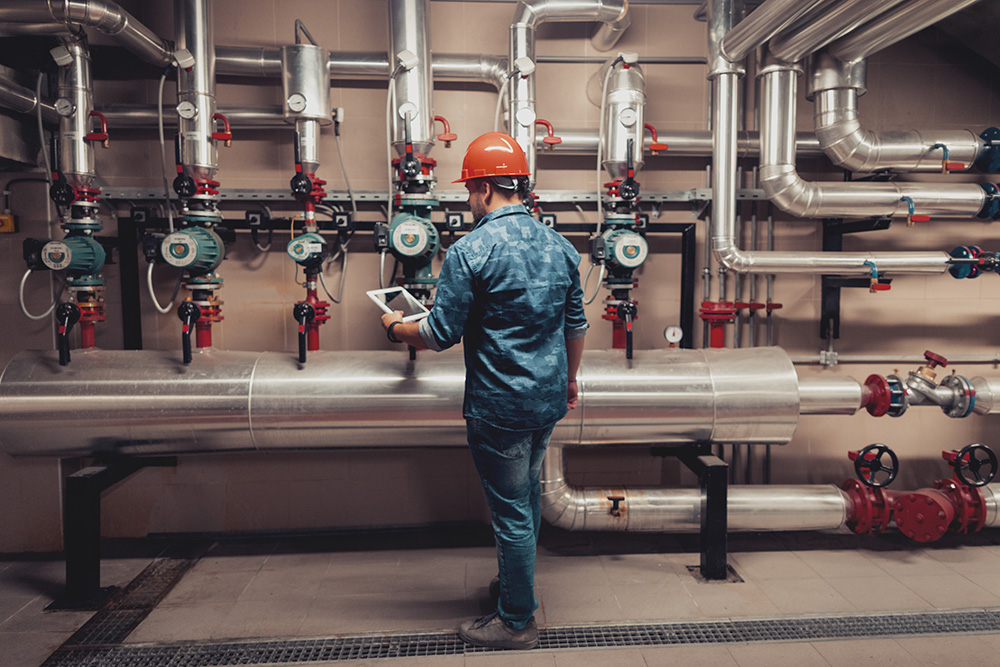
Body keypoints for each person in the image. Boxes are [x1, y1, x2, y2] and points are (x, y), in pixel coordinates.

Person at [380, 132, 588, 650]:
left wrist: (394, 325)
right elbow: (576, 325)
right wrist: (568, 381)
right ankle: (516, 587)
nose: (468, 199)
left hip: (500, 408)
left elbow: (438, 333)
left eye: (471, 189)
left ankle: (515, 621)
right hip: (545, 402)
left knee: (512, 511)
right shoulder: (561, 246)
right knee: (528, 501)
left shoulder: (470, 251)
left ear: (488, 188)